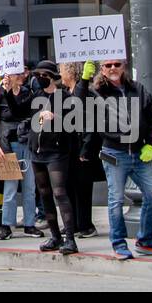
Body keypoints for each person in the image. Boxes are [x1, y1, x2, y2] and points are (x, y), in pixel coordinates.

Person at [78, 58, 152, 260]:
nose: (113, 68)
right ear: (102, 69)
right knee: (116, 199)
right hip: (114, 153)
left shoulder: (138, 88)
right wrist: (84, 79)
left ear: (124, 67)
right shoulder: (97, 92)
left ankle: (145, 240)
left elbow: (151, 118)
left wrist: (150, 142)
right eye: (108, 65)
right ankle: (118, 243)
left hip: (138, 152)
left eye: (117, 65)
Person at [25, 60, 79, 254]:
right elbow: (21, 114)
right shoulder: (36, 96)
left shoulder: (64, 97)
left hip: (56, 152)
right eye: (36, 76)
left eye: (43, 76)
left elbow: (75, 125)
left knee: (59, 192)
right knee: (45, 193)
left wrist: (55, 118)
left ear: (51, 77)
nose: (39, 79)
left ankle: (70, 238)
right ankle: (55, 236)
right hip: (37, 152)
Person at [0, 72, 42, 239]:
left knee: (30, 186)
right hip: (8, 145)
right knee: (10, 187)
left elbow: (26, 114)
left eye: (23, 72)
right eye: (18, 73)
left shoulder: (27, 93)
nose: (23, 75)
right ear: (9, 75)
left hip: (26, 143)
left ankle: (29, 223)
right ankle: (6, 225)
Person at [59, 62, 98, 237]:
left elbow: (90, 123)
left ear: (70, 72)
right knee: (70, 186)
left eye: (62, 70)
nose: (60, 74)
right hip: (70, 148)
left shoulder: (86, 94)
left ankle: (85, 225)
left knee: (82, 189)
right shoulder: (68, 93)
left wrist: (86, 150)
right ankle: (73, 224)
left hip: (82, 148)